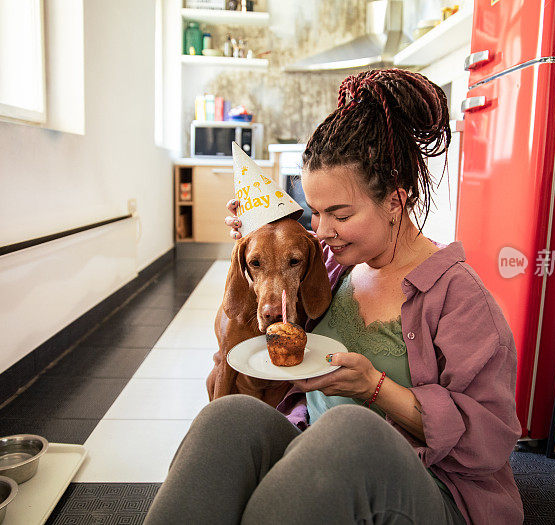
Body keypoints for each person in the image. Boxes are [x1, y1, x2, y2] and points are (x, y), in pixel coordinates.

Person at [144, 69, 523, 525]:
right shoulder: (329, 262)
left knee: (350, 429)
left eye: (339, 214)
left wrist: (375, 389)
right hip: (315, 463)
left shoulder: (461, 300)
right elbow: (260, 299)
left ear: (394, 204)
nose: (321, 230)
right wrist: (264, 240)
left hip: (428, 488)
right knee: (226, 419)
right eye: (316, 211)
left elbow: (489, 441)